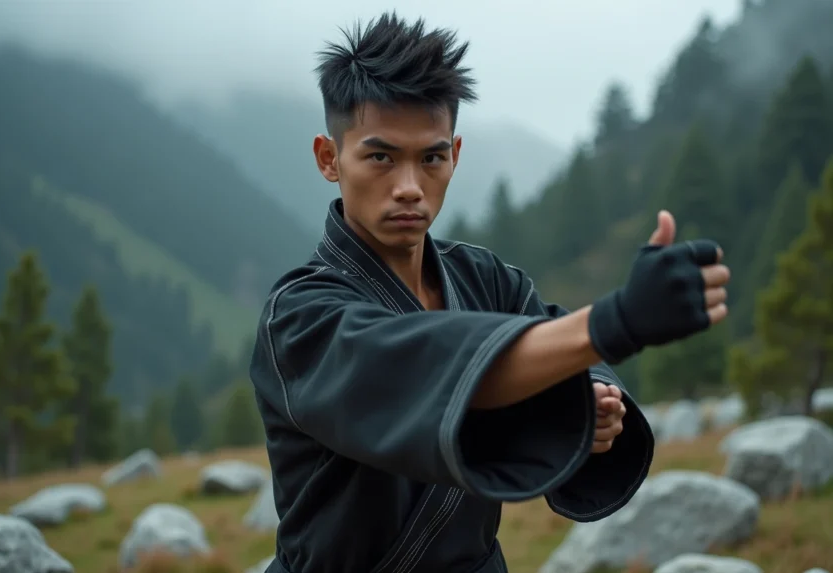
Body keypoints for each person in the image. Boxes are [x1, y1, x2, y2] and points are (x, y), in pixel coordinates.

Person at [249, 11, 731, 573]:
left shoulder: (486, 278)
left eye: (430, 157)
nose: (409, 188)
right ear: (329, 158)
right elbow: (434, 367)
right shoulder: (301, 317)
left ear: (454, 154)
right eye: (380, 156)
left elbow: (552, 340)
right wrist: (616, 320)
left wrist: (594, 403)